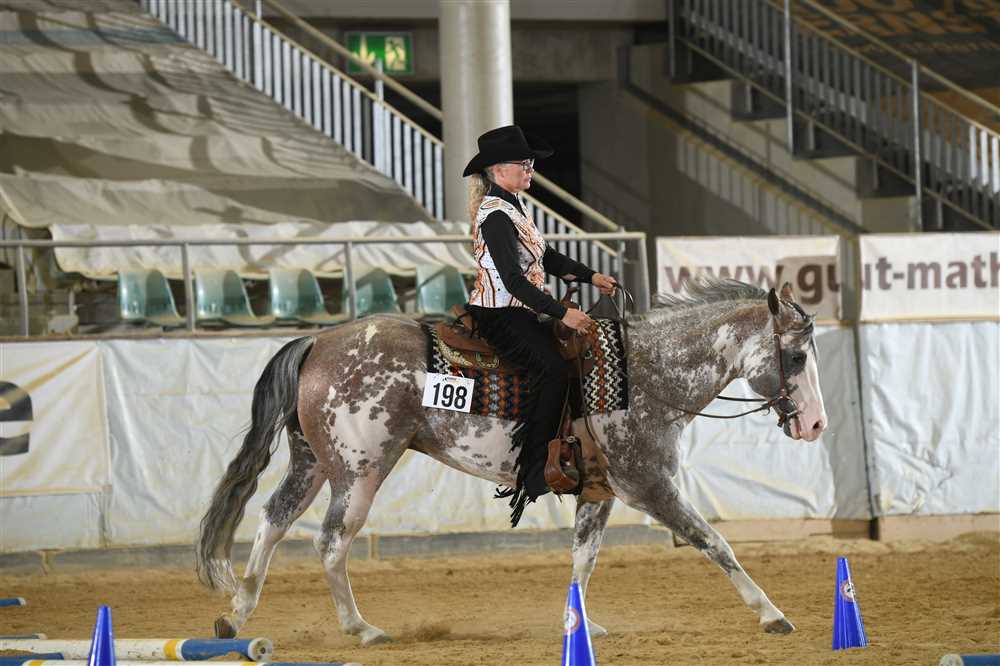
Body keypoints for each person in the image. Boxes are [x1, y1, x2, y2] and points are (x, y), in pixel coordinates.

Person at [461, 125, 617, 526]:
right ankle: (534, 469)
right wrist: (562, 313)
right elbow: (513, 281)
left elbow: (546, 258)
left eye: (530, 162)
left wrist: (590, 276)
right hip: (500, 314)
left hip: (519, 310)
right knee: (554, 369)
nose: (530, 168)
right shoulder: (496, 215)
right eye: (523, 163)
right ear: (498, 170)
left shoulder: (512, 207)